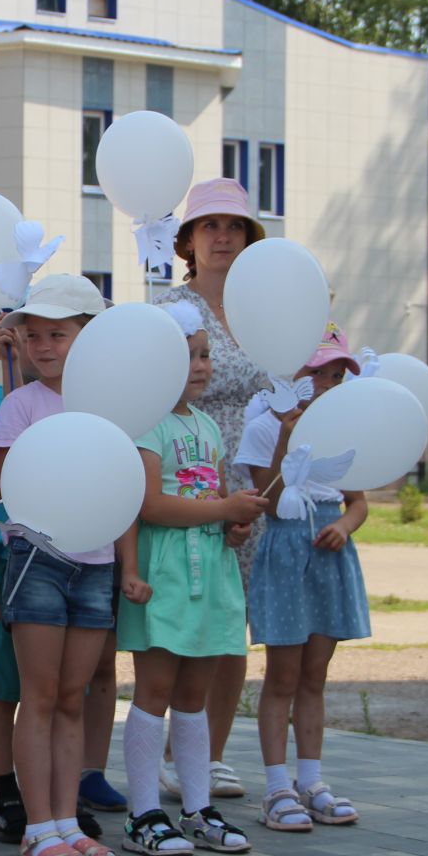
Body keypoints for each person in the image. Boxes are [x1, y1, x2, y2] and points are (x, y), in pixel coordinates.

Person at [0, 275, 134, 856]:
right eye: (34, 334)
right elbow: (1, 485)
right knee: (40, 696)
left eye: (59, 334)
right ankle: (37, 825)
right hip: (38, 562)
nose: (45, 346)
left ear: (88, 338)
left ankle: (67, 822)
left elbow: (124, 486)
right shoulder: (21, 405)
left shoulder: (113, 406)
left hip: (95, 564)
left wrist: (126, 564)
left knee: (74, 695)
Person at [118, 303, 266, 856]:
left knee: (194, 695)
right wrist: (130, 569)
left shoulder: (206, 425)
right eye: (191, 356)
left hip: (211, 569)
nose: (203, 366)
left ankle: (198, 806)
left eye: (206, 354)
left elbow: (210, 498)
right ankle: (142, 813)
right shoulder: (146, 423)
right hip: (166, 571)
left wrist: (233, 524)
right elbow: (148, 503)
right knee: (154, 690)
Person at [156, 179, 268, 800]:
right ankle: (174, 753)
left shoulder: (268, 307)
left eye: (235, 227)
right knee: (184, 615)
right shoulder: (172, 311)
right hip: (187, 477)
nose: (223, 236)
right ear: (189, 242)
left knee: (233, 623)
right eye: (210, 227)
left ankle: (213, 754)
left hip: (252, 484)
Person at [235, 326, 370, 830]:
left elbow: (357, 503)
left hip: (328, 559)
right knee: (283, 674)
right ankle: (276, 787)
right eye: (321, 375)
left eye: (337, 376)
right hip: (287, 554)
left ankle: (312, 780)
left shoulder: (345, 431)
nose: (330, 385)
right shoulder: (264, 428)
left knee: (315, 674)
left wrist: (343, 525)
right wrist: (289, 435)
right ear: (295, 376)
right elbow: (263, 497)